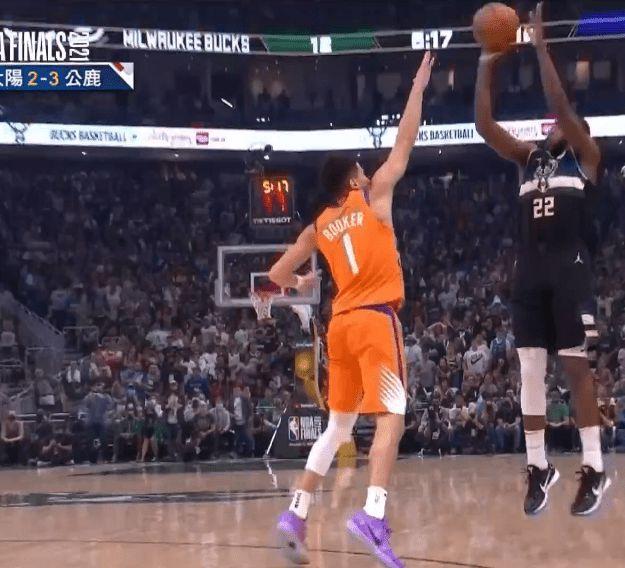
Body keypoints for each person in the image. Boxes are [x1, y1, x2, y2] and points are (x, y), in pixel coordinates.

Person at [271, 51, 433, 567]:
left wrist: (301, 281)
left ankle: (296, 513)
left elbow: (276, 275)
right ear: (354, 181)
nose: (368, 173)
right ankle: (373, 515)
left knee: (338, 427)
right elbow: (404, 142)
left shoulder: (318, 225)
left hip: (338, 327)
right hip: (374, 321)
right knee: (392, 417)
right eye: (362, 170)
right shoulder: (374, 197)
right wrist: (418, 88)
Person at [475, 2, 610, 516]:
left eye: (566, 125)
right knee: (530, 370)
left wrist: (539, 47)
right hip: (529, 270)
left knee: (574, 368)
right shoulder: (528, 160)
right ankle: (539, 467)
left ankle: (594, 467)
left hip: (570, 268)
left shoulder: (587, 157)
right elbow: (484, 124)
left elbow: (558, 102)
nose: (556, 127)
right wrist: (487, 62)